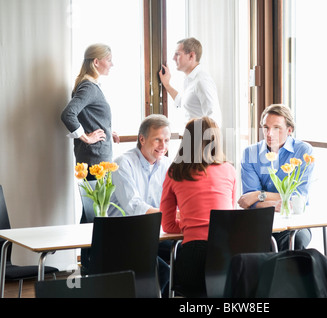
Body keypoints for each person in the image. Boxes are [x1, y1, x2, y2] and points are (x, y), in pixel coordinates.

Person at [160, 117, 236, 297]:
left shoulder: (174, 172)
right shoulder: (229, 169)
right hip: (228, 252)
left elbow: (168, 225)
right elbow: (229, 214)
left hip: (194, 254)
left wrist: (190, 225)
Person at [107, 114, 172, 297]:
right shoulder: (123, 163)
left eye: (166, 140)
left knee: (187, 253)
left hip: (154, 234)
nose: (163, 146)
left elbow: (175, 200)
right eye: (158, 139)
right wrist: (168, 214)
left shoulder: (167, 165)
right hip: (124, 237)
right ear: (142, 139)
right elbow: (133, 206)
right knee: (162, 270)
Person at [238, 104, 314, 251]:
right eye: (266, 128)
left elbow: (297, 197)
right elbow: (248, 202)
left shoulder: (303, 151)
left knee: (295, 244)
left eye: (276, 128)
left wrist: (258, 195)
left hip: (296, 223)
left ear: (289, 130)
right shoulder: (250, 153)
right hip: (261, 222)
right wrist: (274, 204)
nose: (269, 134)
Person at [61, 43, 120, 179]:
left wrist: (108, 131)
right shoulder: (89, 87)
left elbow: (89, 117)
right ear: (96, 62)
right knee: (97, 201)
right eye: (109, 60)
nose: (112, 64)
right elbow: (68, 114)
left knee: (100, 200)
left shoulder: (90, 85)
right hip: (95, 160)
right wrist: (86, 138)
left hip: (96, 158)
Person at [159, 37, 222, 126]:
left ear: (191, 56)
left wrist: (203, 140)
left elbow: (214, 118)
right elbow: (184, 103)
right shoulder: (190, 80)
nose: (173, 58)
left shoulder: (201, 80)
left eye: (177, 54)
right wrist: (167, 85)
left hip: (199, 139)